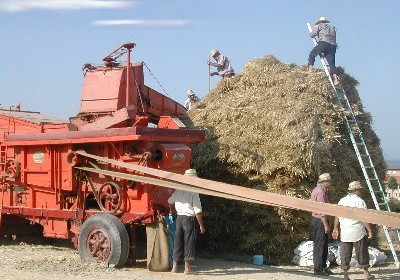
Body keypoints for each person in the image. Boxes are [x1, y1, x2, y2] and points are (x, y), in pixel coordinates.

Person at [332, 181, 374, 280]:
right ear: (357, 190)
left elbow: (337, 215)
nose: (361, 191)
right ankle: (366, 273)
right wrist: (370, 231)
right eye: (360, 190)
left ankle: (346, 275)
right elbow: (363, 218)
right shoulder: (360, 201)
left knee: (345, 253)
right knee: (362, 252)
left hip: (345, 231)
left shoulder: (342, 201)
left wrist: (336, 228)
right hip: (357, 231)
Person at [168, 169, 206, 274]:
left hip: (179, 219)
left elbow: (170, 201)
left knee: (178, 242)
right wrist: (201, 225)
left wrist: (173, 210)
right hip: (189, 219)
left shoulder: (178, 190)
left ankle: (174, 268)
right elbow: (198, 211)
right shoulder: (194, 192)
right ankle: (187, 269)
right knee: (189, 242)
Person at [310, 172, 334, 276]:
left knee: (324, 245)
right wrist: (326, 225)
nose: (331, 183)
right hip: (320, 221)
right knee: (320, 245)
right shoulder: (320, 192)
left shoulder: (320, 190)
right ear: (324, 182)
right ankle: (318, 269)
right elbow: (321, 211)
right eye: (329, 181)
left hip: (319, 220)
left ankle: (323, 266)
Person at [308, 16, 340, 86]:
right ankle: (336, 80)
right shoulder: (333, 28)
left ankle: (310, 69)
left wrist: (311, 34)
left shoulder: (320, 25)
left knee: (312, 54)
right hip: (332, 46)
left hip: (323, 43)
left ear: (320, 21)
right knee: (331, 63)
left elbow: (313, 34)